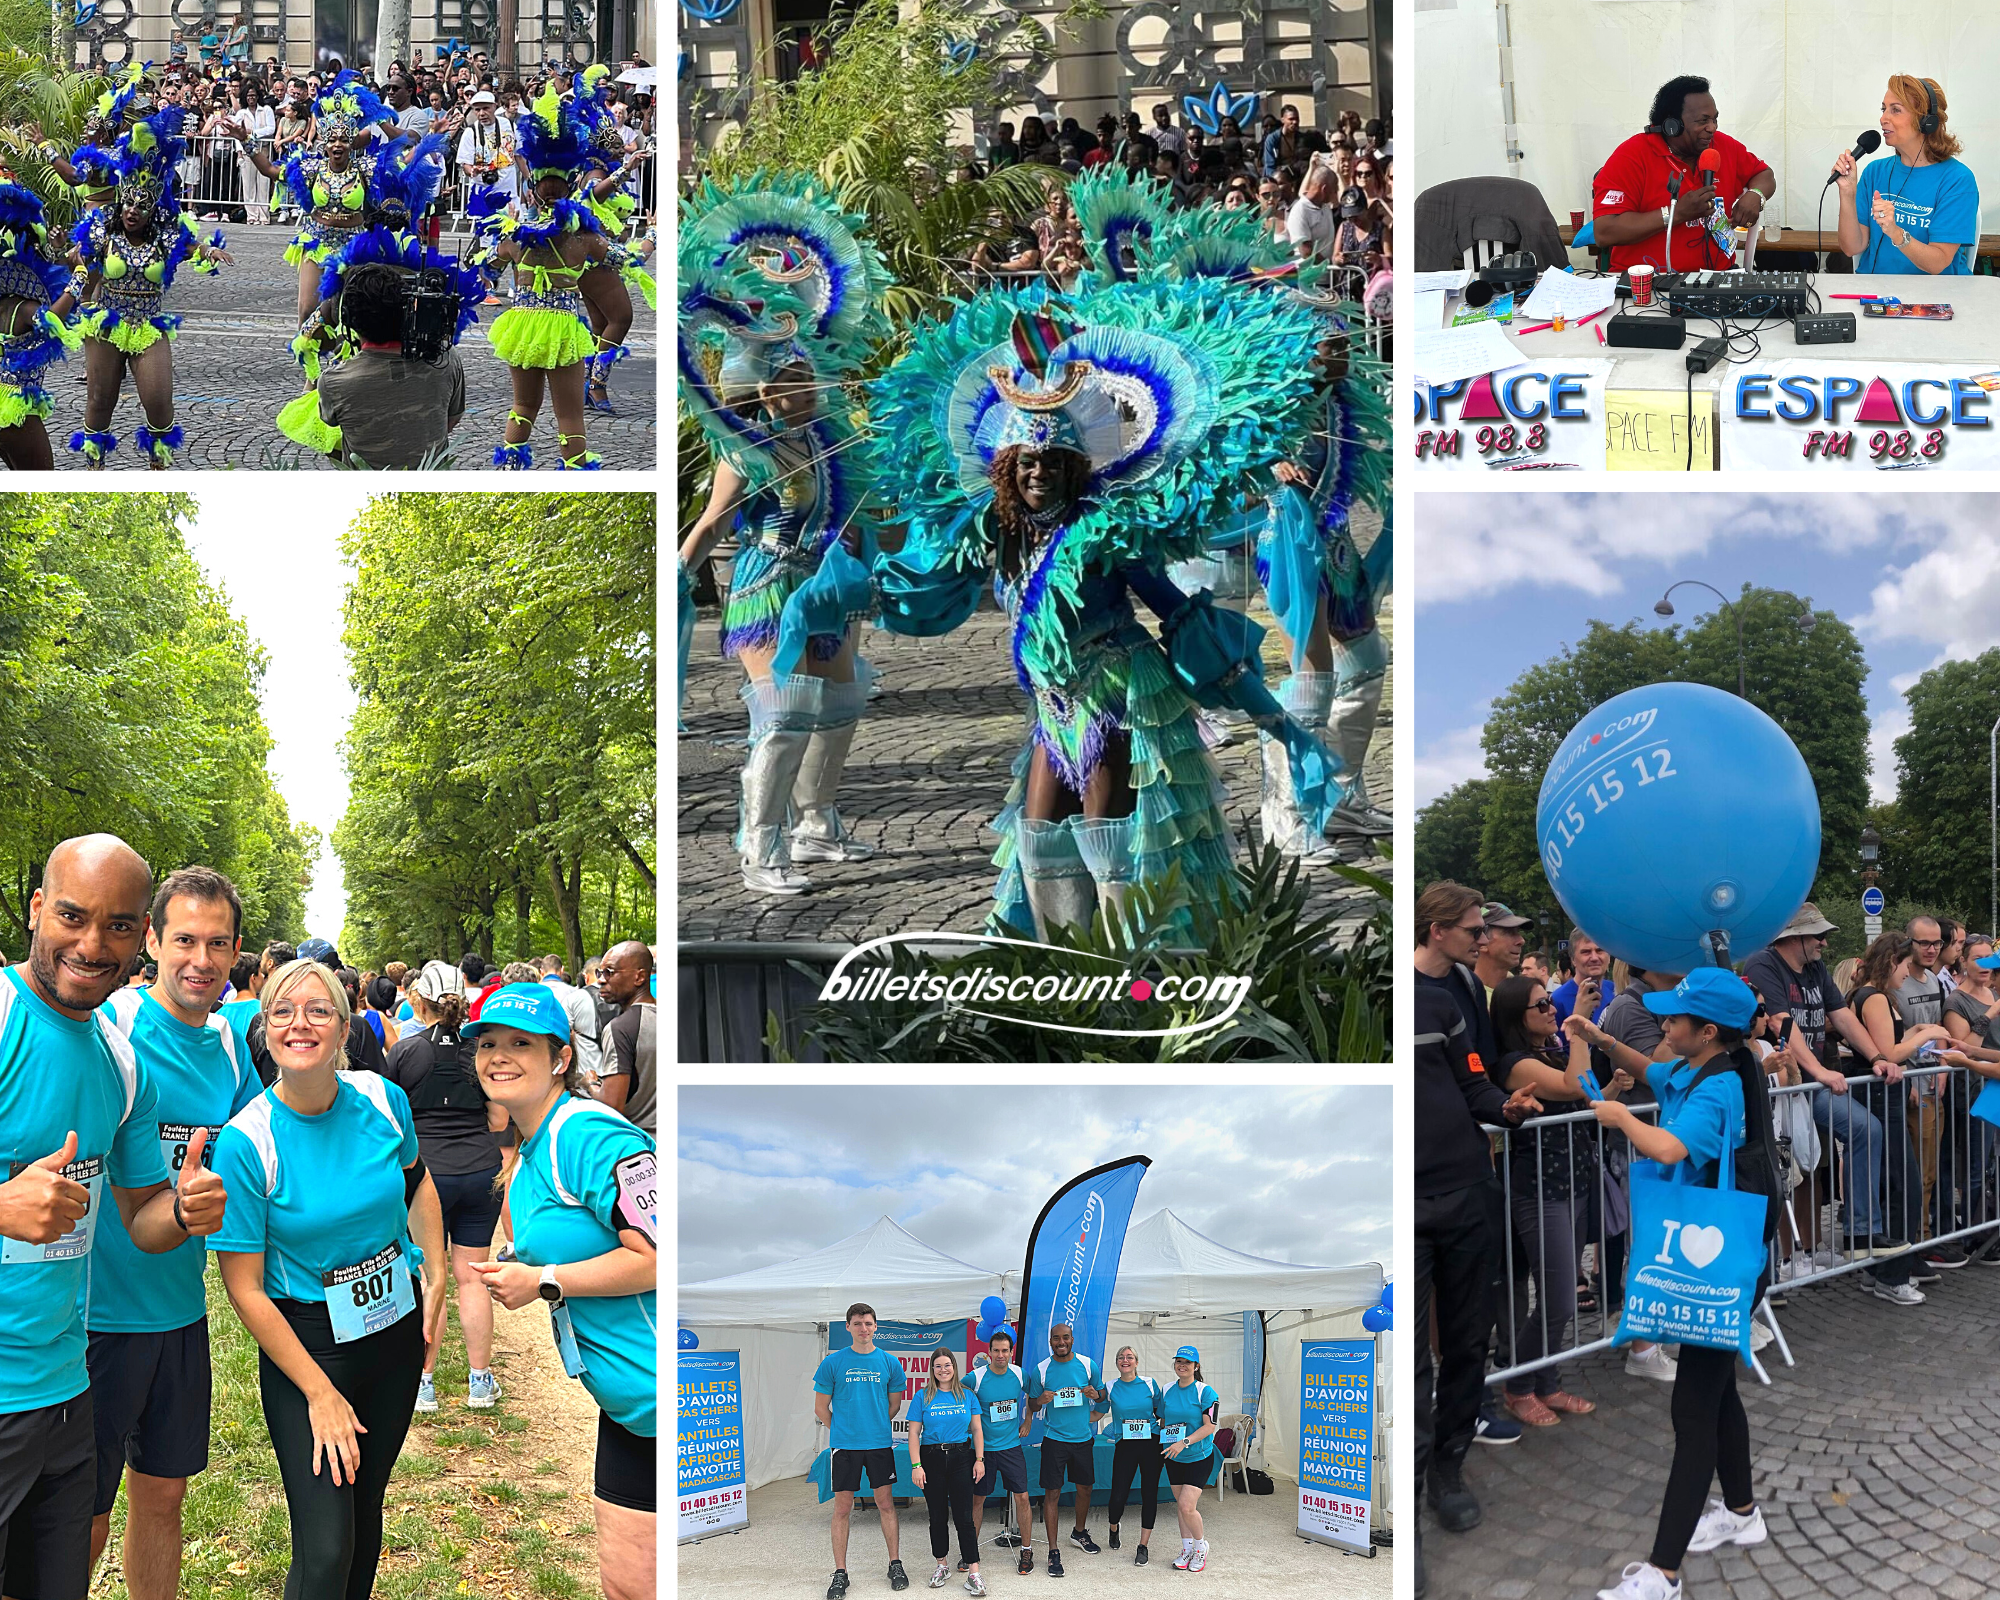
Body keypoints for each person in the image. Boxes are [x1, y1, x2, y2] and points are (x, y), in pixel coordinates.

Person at [0, 836, 229, 1600]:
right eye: (72, 916)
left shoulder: (118, 1058)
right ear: (37, 908)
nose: (92, 945)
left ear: (139, 936)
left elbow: (140, 1217)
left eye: (118, 926)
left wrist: (187, 1208)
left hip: (62, 1390)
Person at [204, 957, 448, 1600]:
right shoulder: (246, 1141)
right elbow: (245, 1290)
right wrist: (318, 1392)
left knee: (365, 1517)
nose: (300, 1024)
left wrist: (440, 1280)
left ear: (344, 1027)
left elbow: (418, 1184)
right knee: (324, 1547)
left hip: (394, 1331)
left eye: (318, 1011)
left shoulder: (383, 1099)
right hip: (309, 1346)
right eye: (283, 1011)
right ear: (265, 1027)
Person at [87, 868, 261, 1600]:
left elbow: (267, 1138)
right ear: (152, 939)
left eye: (217, 943)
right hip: (91, 1320)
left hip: (179, 1314)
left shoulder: (228, 1043)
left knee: (162, 1500)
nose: (201, 960)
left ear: (236, 951)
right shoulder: (109, 1025)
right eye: (184, 939)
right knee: (83, 1517)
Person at [1586, 969, 1777, 1600]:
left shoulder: (1719, 1090)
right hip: (1720, 1261)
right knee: (1716, 1395)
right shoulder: (1709, 1064)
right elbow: (1652, 1070)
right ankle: (1743, 1515)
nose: (1664, 1026)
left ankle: (1663, 1573)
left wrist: (1617, 1116)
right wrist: (1600, 1040)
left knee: (1693, 1408)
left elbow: (1667, 1148)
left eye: (1675, 1020)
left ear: (1708, 1031)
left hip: (1719, 1268)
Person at [463, 982, 656, 1600]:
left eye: (521, 1043)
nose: (500, 1055)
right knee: (624, 1585)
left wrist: (544, 1280)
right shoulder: (530, 1143)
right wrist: (524, 1262)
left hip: (663, 1395)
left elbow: (663, 1255)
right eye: (488, 1043)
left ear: (562, 1058)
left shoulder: (589, 1134)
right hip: (625, 1404)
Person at [472, 81, 632, 470]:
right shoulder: (585, 239)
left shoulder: (513, 237)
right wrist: (659, 233)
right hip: (560, 328)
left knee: (523, 406)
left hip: (522, 326)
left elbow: (484, 272)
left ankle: (509, 470)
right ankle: (575, 470)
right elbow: (628, 260)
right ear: (572, 184)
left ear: (533, 188)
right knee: (570, 417)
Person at [65, 107, 232, 469]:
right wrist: (72, 263)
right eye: (128, 203)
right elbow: (72, 256)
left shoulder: (164, 237)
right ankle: (94, 467)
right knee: (99, 399)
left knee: (158, 399)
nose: (133, 211)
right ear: (121, 202)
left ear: (154, 208)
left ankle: (158, 466)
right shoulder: (101, 231)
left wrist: (208, 249)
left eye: (142, 205)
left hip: (149, 324)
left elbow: (190, 246)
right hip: (107, 322)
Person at [1489, 974, 1619, 1426]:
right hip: (1540, 1191)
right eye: (1541, 1005)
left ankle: (1548, 1383)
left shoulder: (1549, 1051)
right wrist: (1579, 1027)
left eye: (1550, 1002)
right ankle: (1518, 1386)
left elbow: (1586, 1098)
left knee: (1558, 1298)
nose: (1551, 1009)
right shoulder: (1514, 1063)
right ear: (1516, 1018)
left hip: (1574, 1184)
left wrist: (1613, 1090)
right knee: (1559, 1298)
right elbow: (1573, 1086)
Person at [1742, 904, 1904, 1262]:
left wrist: (1878, 1057)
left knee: (1827, 1157)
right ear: (1794, 936)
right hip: (1788, 1084)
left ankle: (1848, 1238)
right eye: (1819, 935)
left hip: (1810, 1081)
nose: (1825, 943)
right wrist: (1819, 1071)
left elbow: (1842, 1016)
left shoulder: (1815, 968)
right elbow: (1780, 1021)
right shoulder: (1763, 963)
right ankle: (1785, 1259)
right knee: (1789, 1169)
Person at [380, 960, 504, 1415]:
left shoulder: (406, 1052)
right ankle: (480, 1383)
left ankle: (423, 1384)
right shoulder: (481, 1054)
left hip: (425, 1178)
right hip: (481, 1172)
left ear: (418, 1001)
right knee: (472, 1277)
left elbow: (389, 1119)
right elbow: (500, 1120)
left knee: (429, 1278)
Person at [1591, 75, 1776, 274]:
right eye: (1703, 121)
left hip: (1719, 281)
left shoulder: (1723, 146)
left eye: (1714, 119)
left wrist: (1756, 195)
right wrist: (1676, 214)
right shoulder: (1631, 156)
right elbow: (1604, 231)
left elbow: (1765, 174)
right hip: (1647, 287)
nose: (1712, 128)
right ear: (1673, 125)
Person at [1834, 74, 1978, 275]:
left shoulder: (1957, 180)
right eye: (1884, 109)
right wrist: (1847, 192)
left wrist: (1895, 232)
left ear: (1925, 121)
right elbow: (1852, 248)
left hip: (1935, 298)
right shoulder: (1874, 172)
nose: (1883, 118)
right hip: (1878, 294)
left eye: (1896, 110)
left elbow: (1938, 263)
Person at [813, 1303, 909, 1598]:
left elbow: (894, 1405)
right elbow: (820, 1408)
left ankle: (895, 1564)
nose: (863, 1328)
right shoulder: (833, 1362)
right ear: (848, 1327)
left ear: (875, 1326)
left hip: (880, 1444)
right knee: (842, 1509)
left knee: (886, 1505)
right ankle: (840, 1573)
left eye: (868, 1323)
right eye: (857, 1323)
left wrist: (874, 1425)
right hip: (845, 1447)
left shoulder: (889, 1362)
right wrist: (845, 1430)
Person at [1025, 1322, 1104, 1572]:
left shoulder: (1088, 1364)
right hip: (1054, 1439)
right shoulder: (1041, 1369)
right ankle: (1052, 1550)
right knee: (1053, 1493)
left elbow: (1102, 1395)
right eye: (1056, 1338)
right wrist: (1040, 1400)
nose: (1061, 1342)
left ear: (1072, 1339)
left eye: (1066, 1338)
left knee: (1085, 1488)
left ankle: (1079, 1532)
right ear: (1051, 1342)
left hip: (1082, 1438)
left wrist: (1095, 1395)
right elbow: (1033, 1405)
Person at [905, 1349, 984, 1594]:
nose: (943, 1370)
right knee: (937, 1516)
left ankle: (974, 1571)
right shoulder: (922, 1396)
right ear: (932, 1369)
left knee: (964, 1517)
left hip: (961, 1457)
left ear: (954, 1367)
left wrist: (979, 1459)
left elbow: (978, 1430)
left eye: (947, 1365)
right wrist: (916, 1465)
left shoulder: (968, 1396)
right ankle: (941, 1564)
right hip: (932, 1458)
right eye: (938, 1366)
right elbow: (914, 1434)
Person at [965, 1327, 1035, 1576]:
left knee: (1023, 1498)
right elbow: (954, 1393)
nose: (1000, 1355)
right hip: (983, 1451)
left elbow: (1033, 1394)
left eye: (1005, 1351)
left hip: (1011, 1448)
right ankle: (969, 1551)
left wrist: (1028, 1421)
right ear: (989, 1352)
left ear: (1011, 1353)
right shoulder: (976, 1377)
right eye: (996, 1351)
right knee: (978, 1500)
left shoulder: (1019, 1374)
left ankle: (1026, 1549)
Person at [1414, 882, 1498, 1066]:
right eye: (1474, 932)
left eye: (1483, 930)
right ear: (1438, 931)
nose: (1484, 941)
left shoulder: (1471, 983)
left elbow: (1483, 1064)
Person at [1157, 1347, 1220, 1571]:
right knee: (1181, 1507)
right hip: (1174, 1458)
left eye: (1187, 1362)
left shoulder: (1206, 1392)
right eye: (1178, 1361)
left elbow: (1210, 1426)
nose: (1182, 1365)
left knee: (1187, 1505)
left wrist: (1184, 1442)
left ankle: (1201, 1547)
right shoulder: (1166, 1390)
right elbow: (1163, 1420)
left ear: (1196, 1366)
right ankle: (1186, 1549)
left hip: (1199, 1456)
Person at [1100, 1346, 1164, 1562]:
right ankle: (1113, 1527)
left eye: (1129, 1357)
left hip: (1150, 1443)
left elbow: (1162, 1413)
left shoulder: (1149, 1384)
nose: (1125, 1360)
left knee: (1149, 1493)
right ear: (1116, 1362)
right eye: (1121, 1357)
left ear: (1136, 1362)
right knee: (1118, 1494)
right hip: (1125, 1444)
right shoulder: (1110, 1386)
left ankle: (1143, 1546)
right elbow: (1097, 1412)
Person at [594, 940, 655, 1135]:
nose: (601, 980)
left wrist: (590, 1085)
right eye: (599, 973)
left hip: (639, 1146)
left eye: (610, 972)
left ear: (639, 977)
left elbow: (611, 1107)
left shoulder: (620, 1029)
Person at [1551, 928, 1617, 1027]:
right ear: (1573, 959)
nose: (1594, 958)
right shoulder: (1557, 1000)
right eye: (1586, 952)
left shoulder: (1615, 991)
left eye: (1599, 950)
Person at [1286, 155, 1339, 261]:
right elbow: (1306, 253)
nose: (1336, 191)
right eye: (1334, 189)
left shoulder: (1325, 206)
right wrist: (1330, 265)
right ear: (1324, 190)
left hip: (1328, 275)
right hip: (1308, 275)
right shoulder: (1299, 211)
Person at [1474, 901, 1530, 998]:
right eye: (1508, 932)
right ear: (1482, 941)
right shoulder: (1467, 997)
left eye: (1517, 932)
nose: (1521, 941)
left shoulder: (1522, 992)